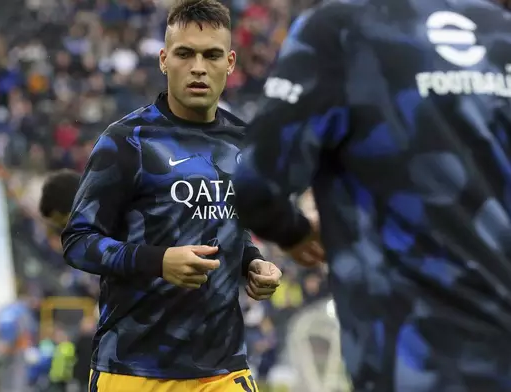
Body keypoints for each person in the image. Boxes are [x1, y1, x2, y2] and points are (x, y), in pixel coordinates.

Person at [232, 0, 511, 390]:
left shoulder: (342, 29)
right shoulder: (500, 30)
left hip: (415, 364)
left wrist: (294, 231)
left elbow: (254, 185)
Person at [60, 1, 282, 390]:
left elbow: (227, 226)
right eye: (185, 54)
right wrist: (157, 261)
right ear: (164, 60)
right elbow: (78, 242)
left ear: (230, 62)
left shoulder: (245, 143)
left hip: (223, 369)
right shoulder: (126, 141)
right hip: (133, 371)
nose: (199, 67)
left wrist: (253, 262)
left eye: (211, 55)